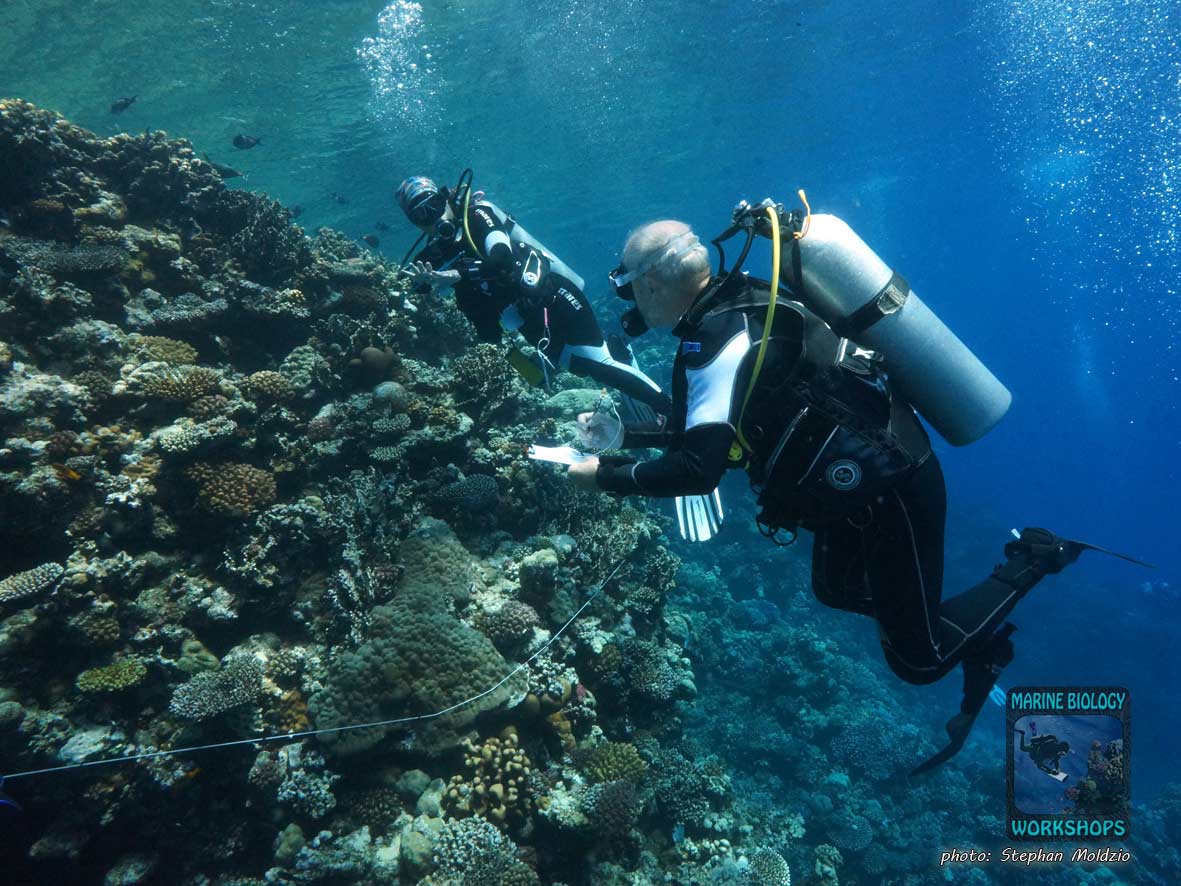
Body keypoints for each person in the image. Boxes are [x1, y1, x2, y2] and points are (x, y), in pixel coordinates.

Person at [565, 213, 1092, 772]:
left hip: (894, 487)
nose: (631, 302)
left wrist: (604, 476)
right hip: (854, 494)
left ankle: (1032, 559)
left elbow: (699, 467)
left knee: (918, 659)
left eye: (627, 285)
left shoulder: (718, 340)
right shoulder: (741, 300)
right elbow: (710, 423)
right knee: (834, 588)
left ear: (649, 284)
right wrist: (625, 433)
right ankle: (925, 614)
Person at [395, 175, 672, 415]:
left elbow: (501, 257)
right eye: (420, 215)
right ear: (415, 223)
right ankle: (621, 352)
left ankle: (672, 413)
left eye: (433, 204)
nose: (432, 216)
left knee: (598, 366)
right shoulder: (437, 251)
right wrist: (418, 285)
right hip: (527, 319)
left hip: (555, 296)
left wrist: (457, 274)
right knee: (579, 368)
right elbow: (407, 284)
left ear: (444, 197)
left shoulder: (478, 214)